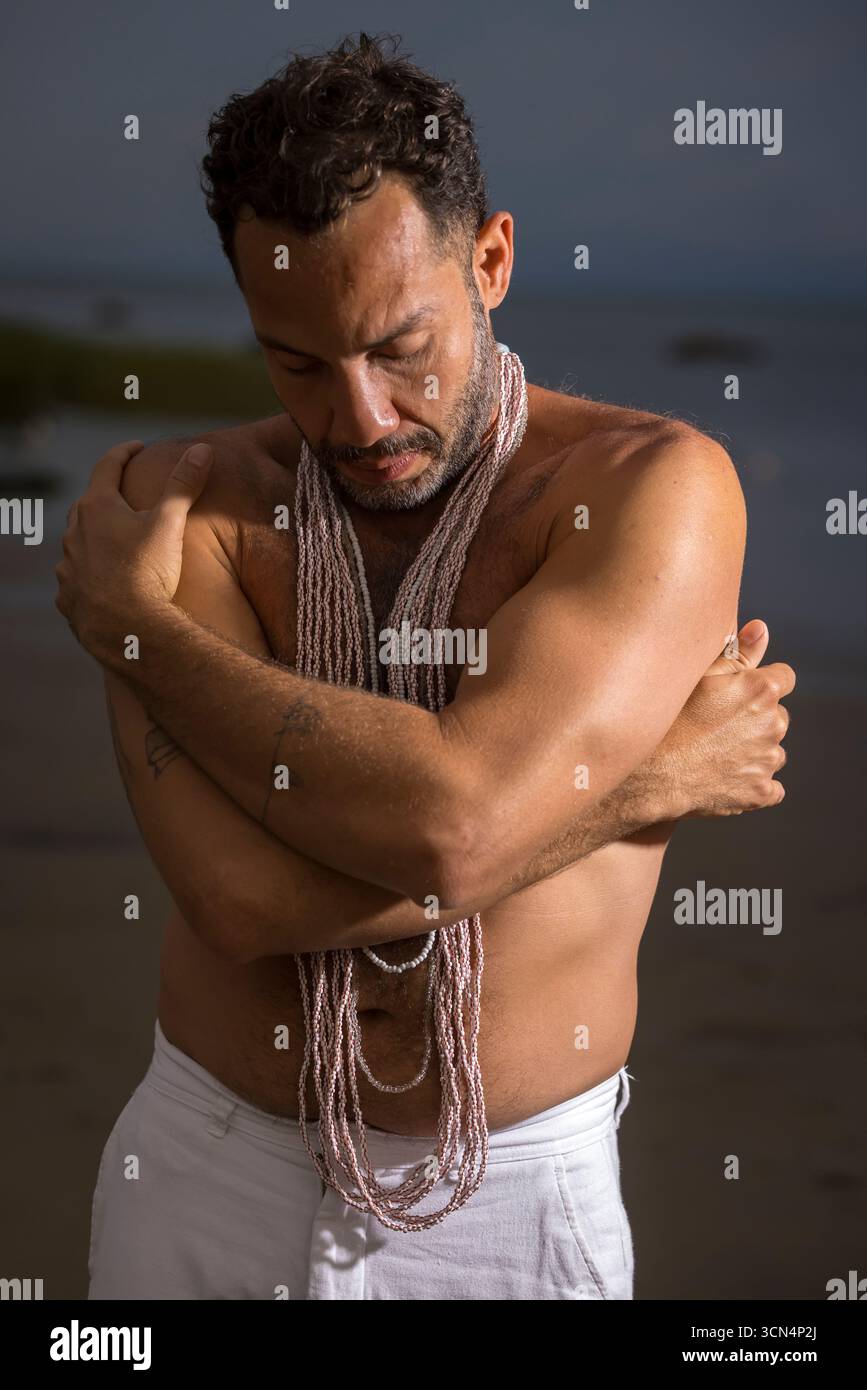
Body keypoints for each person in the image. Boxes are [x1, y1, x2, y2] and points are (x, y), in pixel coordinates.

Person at [54, 33, 794, 1300]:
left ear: (492, 260)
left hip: (513, 1202)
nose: (360, 417)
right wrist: (636, 788)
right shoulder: (184, 505)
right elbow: (238, 901)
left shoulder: (651, 489)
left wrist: (144, 637)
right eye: (297, 361)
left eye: (401, 346)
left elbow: (453, 826)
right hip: (208, 1167)